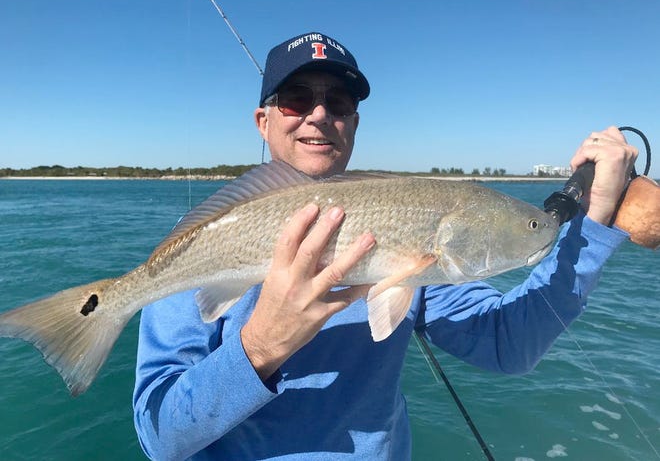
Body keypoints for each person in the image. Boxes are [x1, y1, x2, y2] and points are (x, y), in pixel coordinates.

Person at [132, 31, 638, 460]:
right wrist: (261, 345)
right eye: (296, 99)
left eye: (339, 101)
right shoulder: (201, 239)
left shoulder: (413, 233)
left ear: (353, 122)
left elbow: (509, 346)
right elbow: (159, 436)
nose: (318, 114)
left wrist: (592, 221)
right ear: (264, 122)